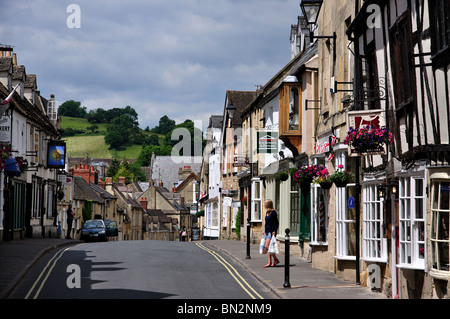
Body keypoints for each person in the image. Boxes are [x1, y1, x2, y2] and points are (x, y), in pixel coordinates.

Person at [262, 199, 280, 268]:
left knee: (267, 247)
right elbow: (267, 223)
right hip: (266, 232)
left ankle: (275, 259)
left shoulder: (273, 213)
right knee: (267, 248)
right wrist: (264, 231)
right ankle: (269, 262)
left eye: (265, 204)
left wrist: (274, 231)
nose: (264, 205)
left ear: (268, 205)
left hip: (271, 232)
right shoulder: (267, 212)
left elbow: (276, 223)